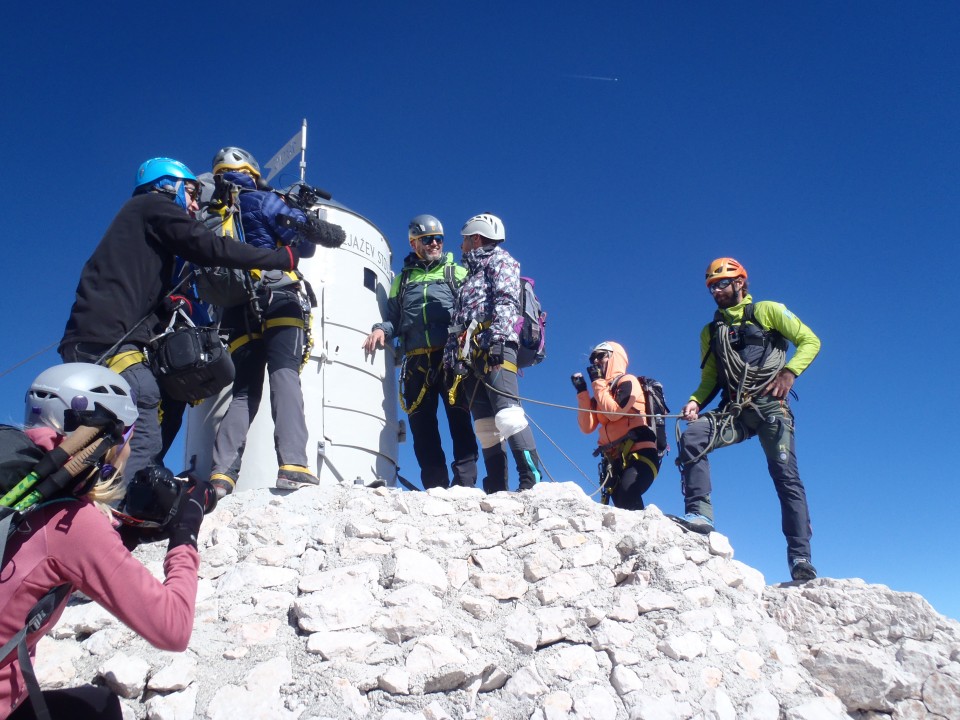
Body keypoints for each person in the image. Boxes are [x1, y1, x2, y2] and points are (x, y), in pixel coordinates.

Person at [59, 157, 301, 485]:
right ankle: (119, 509)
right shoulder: (154, 207)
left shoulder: (137, 227)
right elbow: (210, 247)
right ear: (166, 185)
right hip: (110, 339)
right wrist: (278, 258)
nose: (192, 202)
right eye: (189, 192)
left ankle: (75, 494)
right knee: (144, 409)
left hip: (89, 338)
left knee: (106, 430)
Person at [1, 363, 214, 719]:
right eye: (129, 434)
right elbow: (173, 628)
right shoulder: (73, 521)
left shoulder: (19, 492)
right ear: (109, 438)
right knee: (100, 709)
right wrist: (185, 533)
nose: (129, 450)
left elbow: (46, 561)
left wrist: (126, 535)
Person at [675, 257, 821, 582]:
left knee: (786, 476)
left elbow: (810, 340)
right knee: (694, 435)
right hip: (736, 410)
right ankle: (700, 513)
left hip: (770, 406)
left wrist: (789, 373)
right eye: (712, 286)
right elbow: (711, 377)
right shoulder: (711, 332)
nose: (716, 291)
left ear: (740, 282)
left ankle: (800, 558)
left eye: (722, 283)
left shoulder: (768, 311)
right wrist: (695, 401)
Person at [206, 147, 329, 496]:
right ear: (251, 171)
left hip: (235, 308)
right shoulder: (263, 200)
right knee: (284, 375)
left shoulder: (212, 212)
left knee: (244, 391)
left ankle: (221, 474)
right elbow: (305, 247)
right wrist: (301, 210)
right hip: (278, 297)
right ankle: (292, 465)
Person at [363, 215, 479, 489]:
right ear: (414, 243)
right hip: (416, 361)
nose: (436, 243)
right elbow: (394, 317)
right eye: (428, 239)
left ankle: (465, 484)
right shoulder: (402, 280)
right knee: (422, 427)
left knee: (459, 419)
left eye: (439, 238)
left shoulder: (457, 272)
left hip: (451, 358)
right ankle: (435, 486)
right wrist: (382, 329)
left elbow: (474, 308)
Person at [444, 213, 540, 493]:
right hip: (471, 356)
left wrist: (499, 340)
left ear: (476, 238)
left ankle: (530, 479)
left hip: (496, 348)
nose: (460, 246)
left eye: (464, 240)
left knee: (508, 413)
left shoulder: (501, 260)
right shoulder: (470, 277)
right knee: (485, 425)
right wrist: (452, 361)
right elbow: (459, 322)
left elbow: (507, 301)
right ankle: (496, 487)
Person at [573, 341, 660, 510]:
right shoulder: (601, 393)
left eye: (600, 356)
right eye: (592, 359)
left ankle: (644, 532)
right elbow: (587, 427)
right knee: (620, 501)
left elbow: (614, 413)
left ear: (614, 357)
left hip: (641, 453)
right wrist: (582, 392)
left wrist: (597, 382)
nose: (595, 361)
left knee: (628, 491)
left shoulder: (628, 381)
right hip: (615, 460)